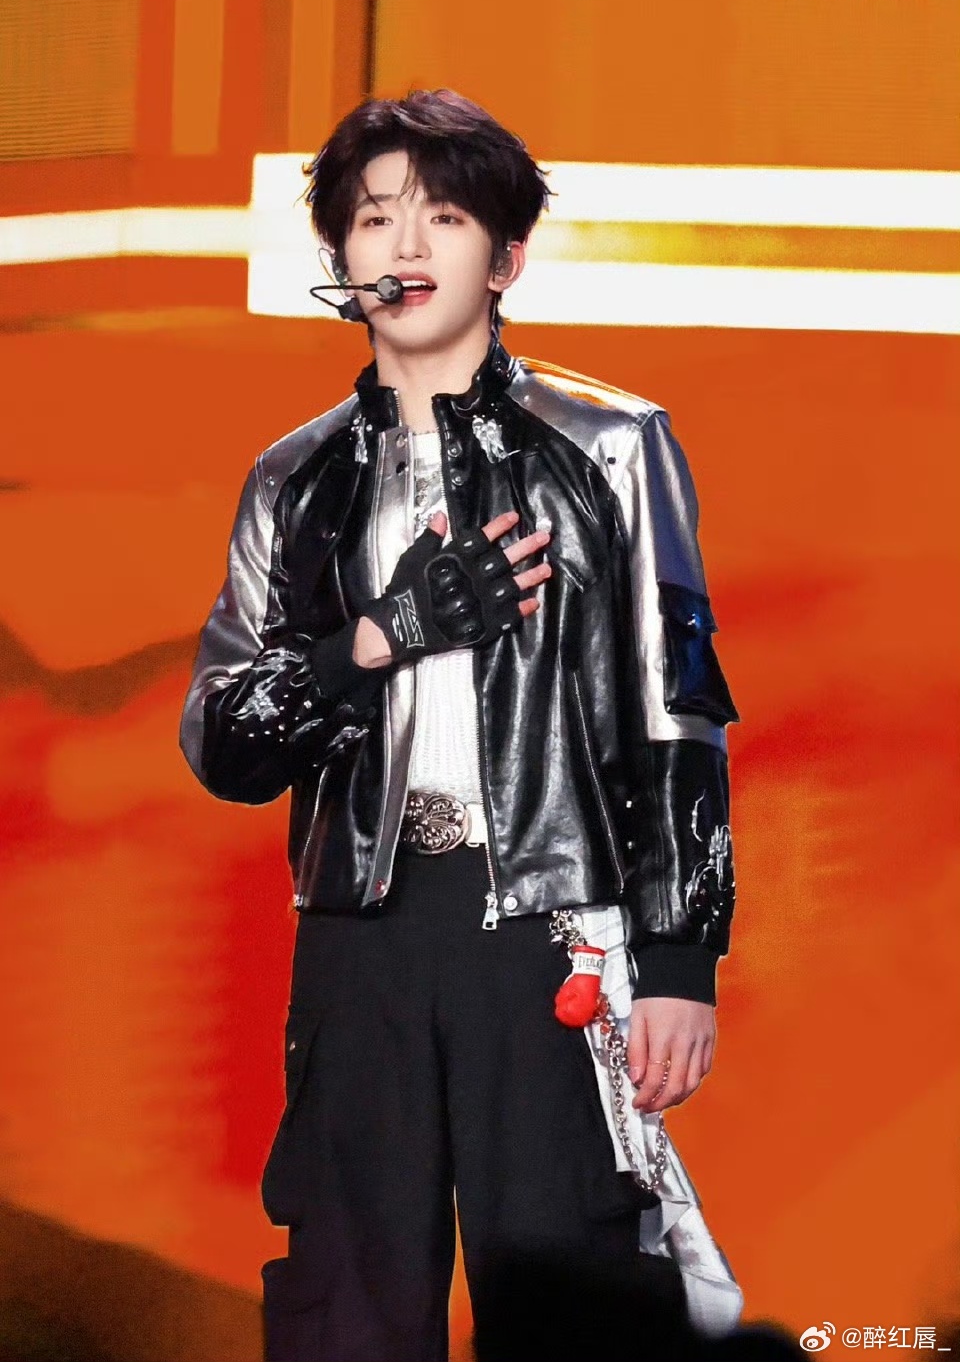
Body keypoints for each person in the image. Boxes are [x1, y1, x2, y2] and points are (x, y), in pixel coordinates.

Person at [179, 88, 740, 1362]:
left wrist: (679, 961)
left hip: (548, 928)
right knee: (346, 1296)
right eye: (376, 216)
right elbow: (225, 742)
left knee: (572, 1290)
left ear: (508, 257)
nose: (407, 243)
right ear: (341, 257)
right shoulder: (294, 477)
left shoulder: (613, 447)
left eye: (444, 215)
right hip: (358, 938)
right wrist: (378, 636)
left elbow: (680, 713)